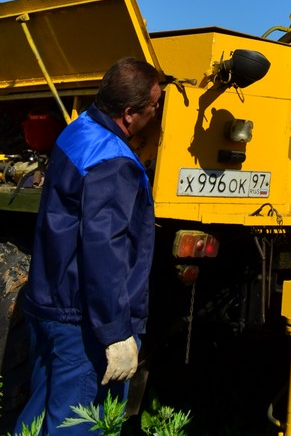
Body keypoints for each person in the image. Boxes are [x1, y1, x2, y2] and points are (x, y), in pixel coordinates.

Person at [15, 58, 162, 435]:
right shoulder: (114, 161)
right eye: (154, 106)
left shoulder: (76, 132)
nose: (157, 112)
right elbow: (104, 250)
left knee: (39, 415)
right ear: (129, 114)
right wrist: (115, 331)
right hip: (83, 322)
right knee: (76, 424)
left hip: (50, 304)